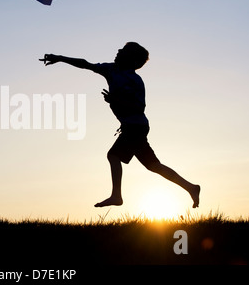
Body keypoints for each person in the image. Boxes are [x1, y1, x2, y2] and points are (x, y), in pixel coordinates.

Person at [40, 42, 200, 208]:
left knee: (113, 155)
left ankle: (117, 196)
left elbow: (139, 107)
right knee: (154, 165)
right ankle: (191, 187)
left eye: (123, 50)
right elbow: (85, 64)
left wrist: (116, 100)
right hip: (132, 126)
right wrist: (59, 58)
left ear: (131, 59)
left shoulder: (135, 80)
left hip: (135, 126)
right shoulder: (111, 70)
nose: (117, 51)